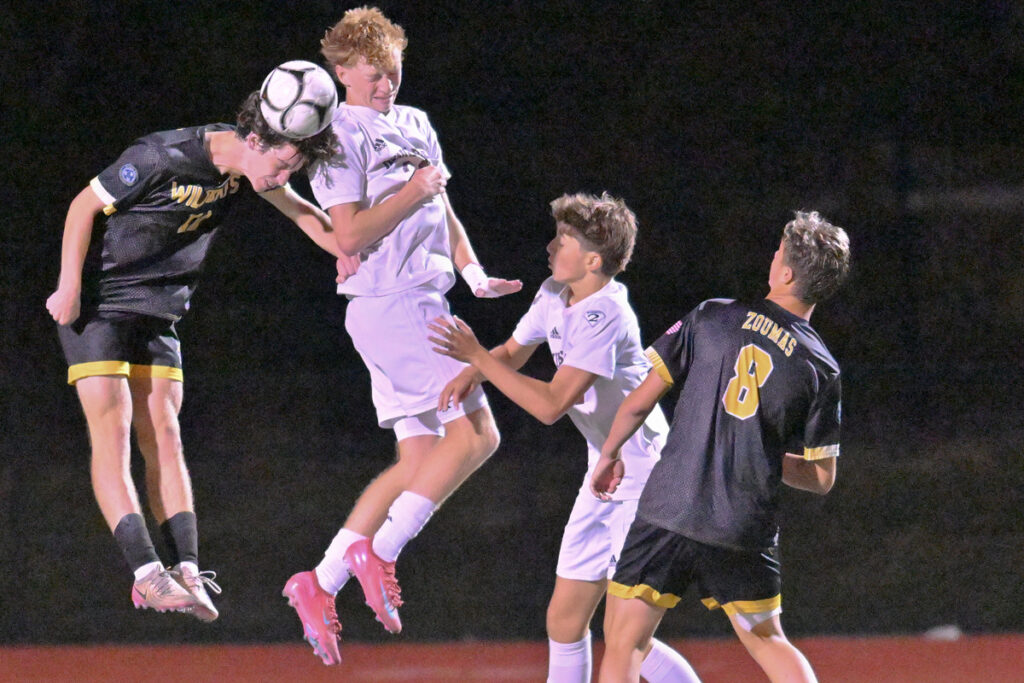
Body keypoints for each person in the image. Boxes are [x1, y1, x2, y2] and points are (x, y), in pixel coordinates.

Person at [45, 65, 347, 622]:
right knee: (113, 432)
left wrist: (355, 251)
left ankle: (185, 568)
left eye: (294, 168)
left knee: (165, 433)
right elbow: (81, 205)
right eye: (283, 164)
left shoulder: (252, 168)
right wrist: (68, 286)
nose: (285, 176)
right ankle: (146, 575)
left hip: (160, 314)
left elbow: (307, 216)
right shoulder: (161, 157)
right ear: (255, 139)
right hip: (102, 307)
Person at [281, 7, 521, 666]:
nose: (386, 84)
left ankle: (318, 582)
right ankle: (380, 551)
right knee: (479, 435)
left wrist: (474, 274)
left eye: (393, 71)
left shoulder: (415, 123)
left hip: (419, 299)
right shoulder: (337, 135)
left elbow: (442, 208)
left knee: (417, 461)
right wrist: (414, 191)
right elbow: (348, 235)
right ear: (341, 73)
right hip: (393, 304)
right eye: (373, 74)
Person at [428, 192, 700, 683]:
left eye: (564, 240)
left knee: (627, 638)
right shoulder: (555, 292)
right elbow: (514, 350)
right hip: (604, 468)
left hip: (645, 476)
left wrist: (478, 357)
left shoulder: (607, 313)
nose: (551, 247)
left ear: (594, 261)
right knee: (565, 620)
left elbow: (552, 404)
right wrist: (476, 371)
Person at [590, 211, 851, 683]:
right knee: (769, 640)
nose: (772, 257)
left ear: (785, 273)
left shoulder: (713, 315)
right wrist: (761, 455)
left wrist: (610, 454)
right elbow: (821, 478)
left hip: (670, 507)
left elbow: (639, 402)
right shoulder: (821, 368)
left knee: (626, 642)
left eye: (777, 253)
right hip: (741, 522)